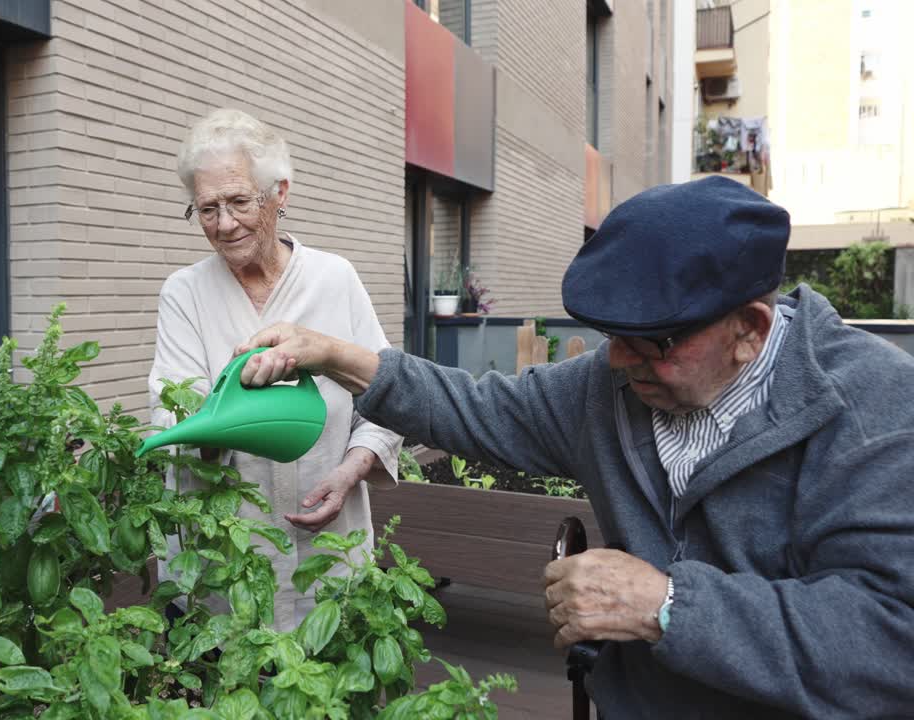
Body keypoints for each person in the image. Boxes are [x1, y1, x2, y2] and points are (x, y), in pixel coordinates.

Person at [232, 176, 914, 717]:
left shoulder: (875, 412)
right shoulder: (608, 390)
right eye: (611, 334)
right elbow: (475, 408)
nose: (617, 360)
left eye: (653, 342)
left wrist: (668, 604)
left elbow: (888, 643)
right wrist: (332, 355)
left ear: (751, 330)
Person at [147, 108, 401, 632]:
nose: (224, 224)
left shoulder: (335, 280)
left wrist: (352, 469)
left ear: (279, 194)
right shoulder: (184, 293)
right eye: (207, 209)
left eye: (239, 201)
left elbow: (383, 396)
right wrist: (222, 412)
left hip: (329, 559)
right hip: (225, 567)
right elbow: (171, 418)